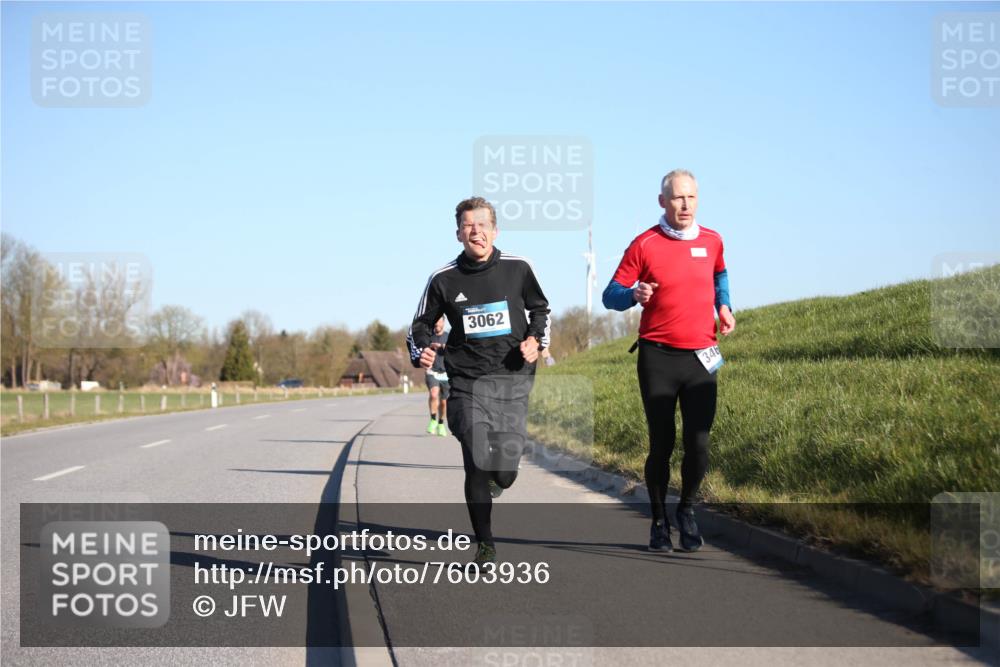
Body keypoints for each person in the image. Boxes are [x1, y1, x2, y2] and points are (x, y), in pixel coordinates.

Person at [407, 196, 551, 567]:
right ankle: (485, 545)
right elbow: (419, 326)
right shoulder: (443, 279)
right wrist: (421, 349)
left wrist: (537, 340)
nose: (476, 231)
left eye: (482, 224)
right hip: (467, 382)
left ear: (494, 230)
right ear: (458, 234)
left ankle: (497, 480)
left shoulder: (518, 268)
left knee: (504, 472)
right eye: (469, 226)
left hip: (513, 380)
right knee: (476, 456)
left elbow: (540, 310)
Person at [602, 169, 736, 553]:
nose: (685, 205)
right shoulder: (645, 244)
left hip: (701, 358)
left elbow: (720, 273)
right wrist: (634, 294)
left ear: (698, 199)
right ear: (663, 201)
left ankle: (688, 510)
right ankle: (659, 519)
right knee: (662, 443)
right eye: (677, 198)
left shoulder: (712, 240)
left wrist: (723, 304)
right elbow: (611, 294)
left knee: (699, 443)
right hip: (657, 357)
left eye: (691, 197)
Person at [425, 316, 450, 436]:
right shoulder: (428, 336)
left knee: (444, 402)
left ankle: (441, 423)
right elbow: (421, 350)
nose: (437, 324)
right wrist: (430, 346)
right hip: (432, 371)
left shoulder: (449, 336)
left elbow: (455, 350)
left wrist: (443, 347)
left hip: (445, 373)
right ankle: (433, 419)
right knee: (434, 394)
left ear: (443, 322)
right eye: (435, 322)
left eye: (439, 321)